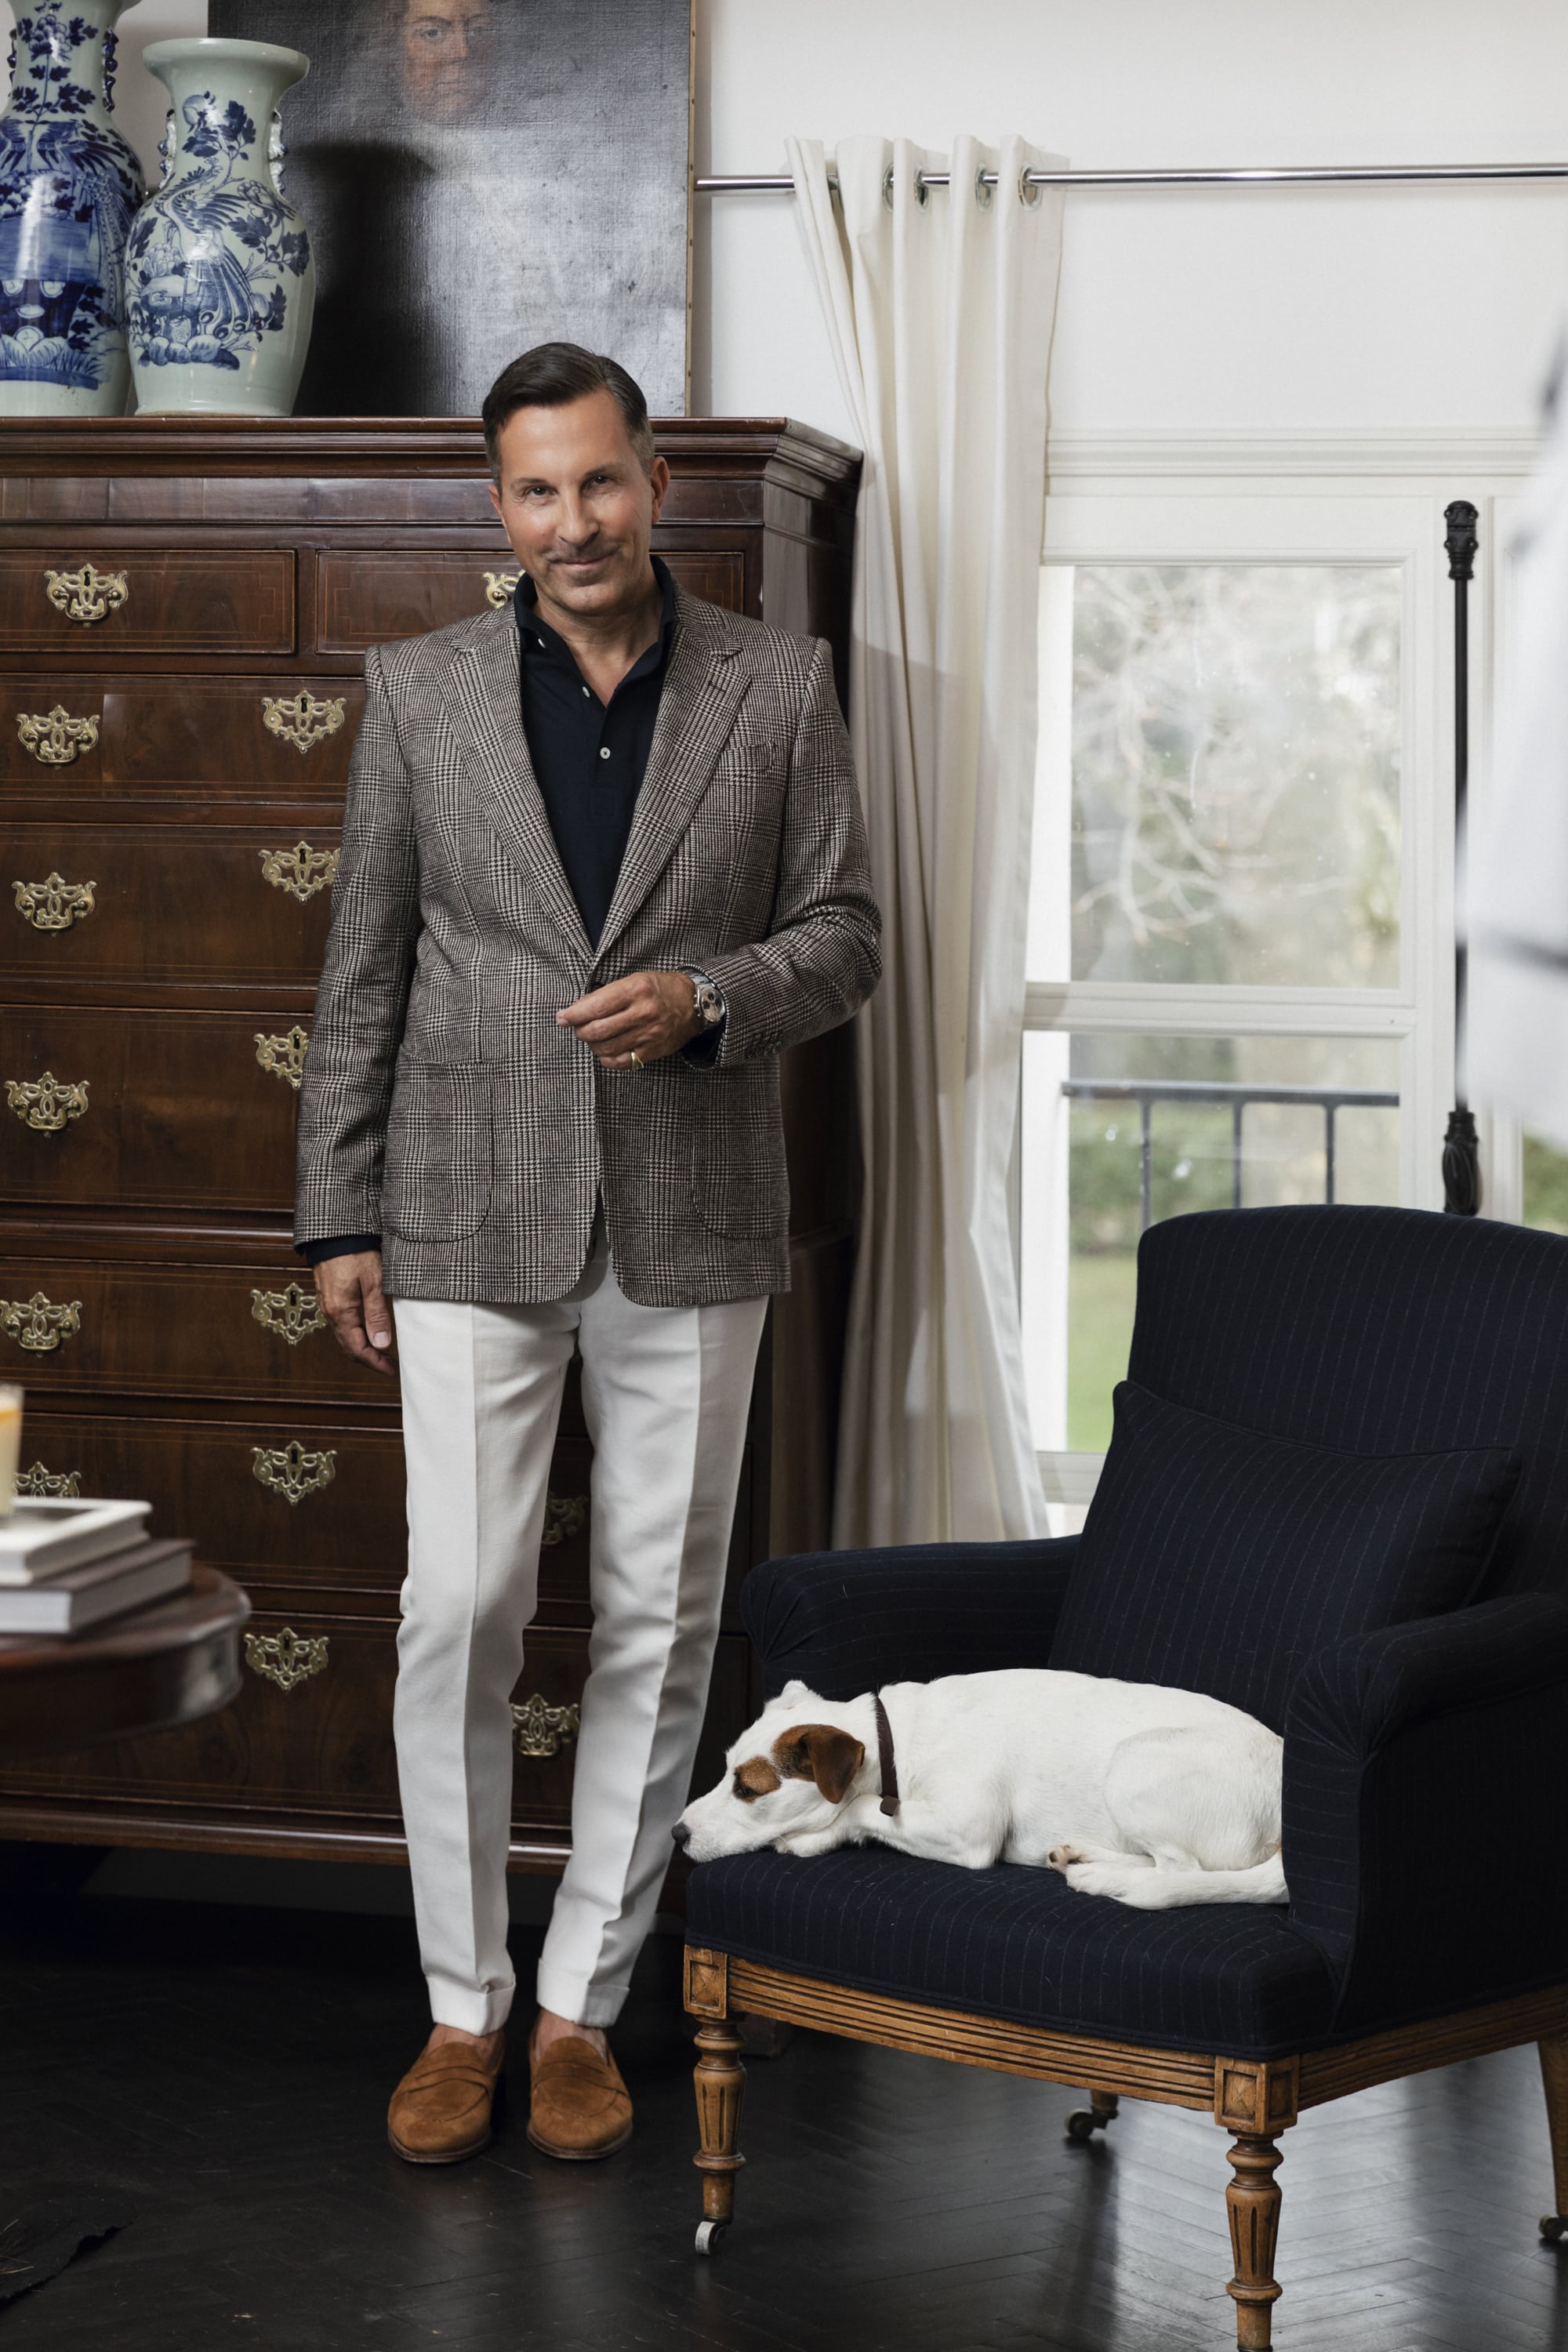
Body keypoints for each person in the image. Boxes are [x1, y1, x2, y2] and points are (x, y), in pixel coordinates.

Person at [294, 341, 880, 2165]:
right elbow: (363, 965)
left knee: (659, 1618)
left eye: (600, 482)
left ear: (653, 484)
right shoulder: (419, 692)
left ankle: (577, 2010)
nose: (574, 521)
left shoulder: (776, 687)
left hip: (694, 1210)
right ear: (501, 509)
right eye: (538, 492)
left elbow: (846, 933)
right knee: (458, 1610)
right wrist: (338, 1209)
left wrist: (710, 997)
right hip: (464, 1202)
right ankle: (459, 2006)